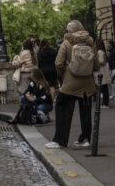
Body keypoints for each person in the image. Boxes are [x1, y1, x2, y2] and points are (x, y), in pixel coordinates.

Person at [45, 20, 99, 150]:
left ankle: (60, 140)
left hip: (70, 83)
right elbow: (96, 64)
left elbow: (58, 63)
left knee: (62, 109)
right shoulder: (91, 42)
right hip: (87, 84)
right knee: (85, 112)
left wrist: (64, 74)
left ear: (69, 31)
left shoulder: (67, 42)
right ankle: (85, 139)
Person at [93, 38, 111, 108]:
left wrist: (94, 60)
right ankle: (104, 102)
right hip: (102, 71)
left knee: (103, 88)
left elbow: (101, 61)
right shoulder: (102, 51)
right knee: (103, 88)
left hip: (101, 71)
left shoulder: (99, 52)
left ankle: (105, 103)